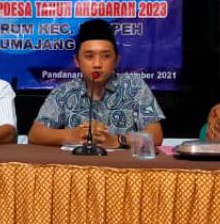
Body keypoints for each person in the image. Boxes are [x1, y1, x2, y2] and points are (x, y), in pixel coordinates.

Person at [29, 18, 165, 149]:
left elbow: (156, 135)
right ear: (77, 61)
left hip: (121, 164)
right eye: (89, 56)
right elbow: (35, 134)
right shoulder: (64, 92)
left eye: (106, 56)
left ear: (116, 60)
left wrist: (118, 140)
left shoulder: (134, 87)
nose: (97, 64)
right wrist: (72, 135)